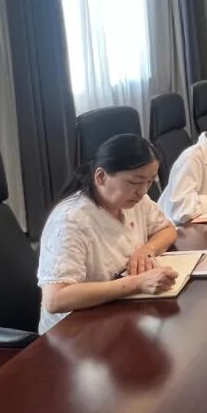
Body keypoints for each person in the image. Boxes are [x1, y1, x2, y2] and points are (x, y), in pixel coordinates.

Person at [37, 135, 179, 333]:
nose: (143, 191)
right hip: (74, 330)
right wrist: (136, 283)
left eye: (149, 182)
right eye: (135, 181)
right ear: (101, 177)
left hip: (117, 313)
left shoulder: (135, 201)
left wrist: (148, 249)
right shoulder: (70, 221)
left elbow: (167, 229)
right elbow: (55, 299)